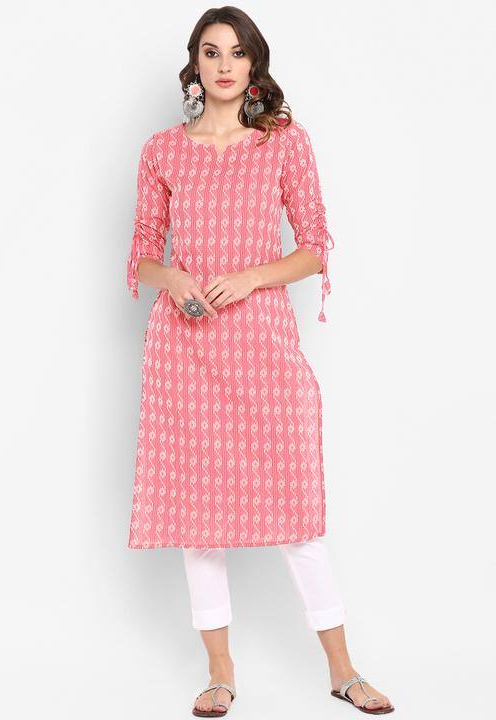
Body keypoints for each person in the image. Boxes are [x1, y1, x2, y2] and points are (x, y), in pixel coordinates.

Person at [126, 6, 394, 717]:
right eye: (211, 52)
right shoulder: (162, 150)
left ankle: (342, 669)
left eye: (237, 53)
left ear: (254, 65)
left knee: (295, 514)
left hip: (263, 345)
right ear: (194, 64)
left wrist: (249, 277)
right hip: (184, 349)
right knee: (198, 522)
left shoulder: (283, 143)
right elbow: (142, 253)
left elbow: (314, 247)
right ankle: (220, 673)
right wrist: (172, 277)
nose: (224, 65)